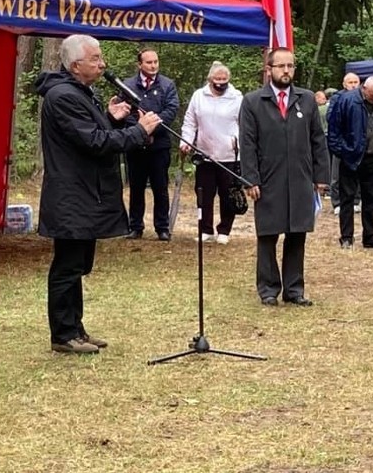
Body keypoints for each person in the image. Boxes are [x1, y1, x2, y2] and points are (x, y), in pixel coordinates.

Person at [36, 34, 162, 354]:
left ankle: (75, 328)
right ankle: (63, 335)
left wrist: (110, 118)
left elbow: (92, 135)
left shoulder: (80, 92)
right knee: (67, 265)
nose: (102, 63)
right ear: (76, 65)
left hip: (84, 192)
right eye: (95, 59)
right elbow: (96, 143)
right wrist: (138, 131)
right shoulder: (63, 96)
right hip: (71, 195)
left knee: (78, 265)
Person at [239, 48, 329, 307]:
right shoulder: (253, 101)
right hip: (268, 178)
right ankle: (268, 288)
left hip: (300, 178)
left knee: (297, 233)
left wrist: (320, 176)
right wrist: (250, 179)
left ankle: (294, 289)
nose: (286, 71)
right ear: (269, 70)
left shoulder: (307, 99)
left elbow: (317, 140)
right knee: (268, 234)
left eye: (290, 66)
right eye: (281, 66)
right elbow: (247, 143)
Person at [327, 75, 373, 249]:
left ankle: (370, 237)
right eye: (371, 95)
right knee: (347, 198)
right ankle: (346, 237)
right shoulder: (346, 100)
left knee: (371, 198)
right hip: (350, 156)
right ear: (364, 88)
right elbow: (334, 129)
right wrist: (341, 151)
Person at [180, 61, 243, 245]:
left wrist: (235, 141)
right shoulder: (199, 96)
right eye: (217, 79)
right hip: (204, 154)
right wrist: (187, 140)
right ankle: (205, 229)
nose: (221, 82)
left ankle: (225, 230)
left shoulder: (237, 98)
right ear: (210, 79)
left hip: (229, 155)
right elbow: (190, 121)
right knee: (204, 194)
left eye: (224, 79)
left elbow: (244, 124)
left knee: (227, 194)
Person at [121, 48, 180, 241]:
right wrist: (139, 130)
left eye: (156, 62)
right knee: (136, 187)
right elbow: (124, 112)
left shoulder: (167, 84)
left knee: (160, 188)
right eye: (149, 62)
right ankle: (135, 226)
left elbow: (171, 111)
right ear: (140, 64)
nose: (153, 65)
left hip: (159, 145)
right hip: (135, 145)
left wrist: (151, 129)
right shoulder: (128, 85)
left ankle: (162, 227)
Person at [329, 73, 362, 214]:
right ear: (344, 84)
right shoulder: (337, 98)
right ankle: (337, 203)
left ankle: (356, 200)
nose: (353, 85)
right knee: (336, 175)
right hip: (341, 143)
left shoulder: (363, 97)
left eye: (356, 82)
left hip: (358, 143)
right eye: (350, 82)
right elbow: (331, 118)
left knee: (358, 173)